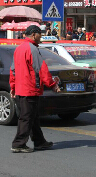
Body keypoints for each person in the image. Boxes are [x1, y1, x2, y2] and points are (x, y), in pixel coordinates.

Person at [10, 25, 60, 153]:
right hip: (29, 89)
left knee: (32, 117)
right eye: (40, 34)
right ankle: (19, 144)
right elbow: (41, 69)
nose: (41, 37)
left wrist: (13, 86)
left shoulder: (19, 49)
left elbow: (13, 70)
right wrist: (52, 84)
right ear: (33, 34)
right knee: (26, 117)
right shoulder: (32, 49)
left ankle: (39, 142)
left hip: (22, 89)